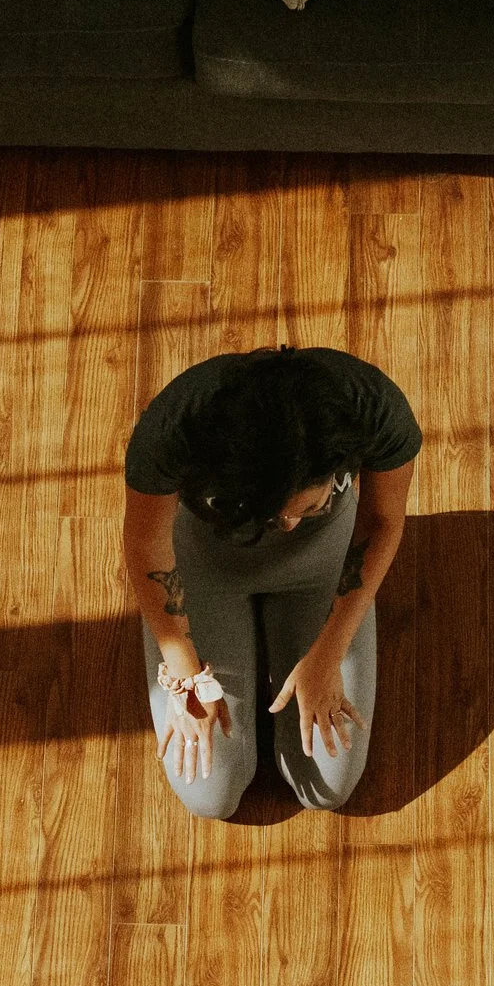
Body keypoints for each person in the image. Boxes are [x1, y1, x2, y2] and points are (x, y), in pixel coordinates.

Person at [122, 345, 420, 819]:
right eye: (271, 512)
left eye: (309, 508)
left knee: (329, 784)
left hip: (321, 568)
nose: (287, 525)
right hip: (206, 569)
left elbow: (383, 519)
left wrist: (329, 652)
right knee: (210, 794)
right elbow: (146, 547)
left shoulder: (372, 407)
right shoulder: (175, 427)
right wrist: (183, 668)